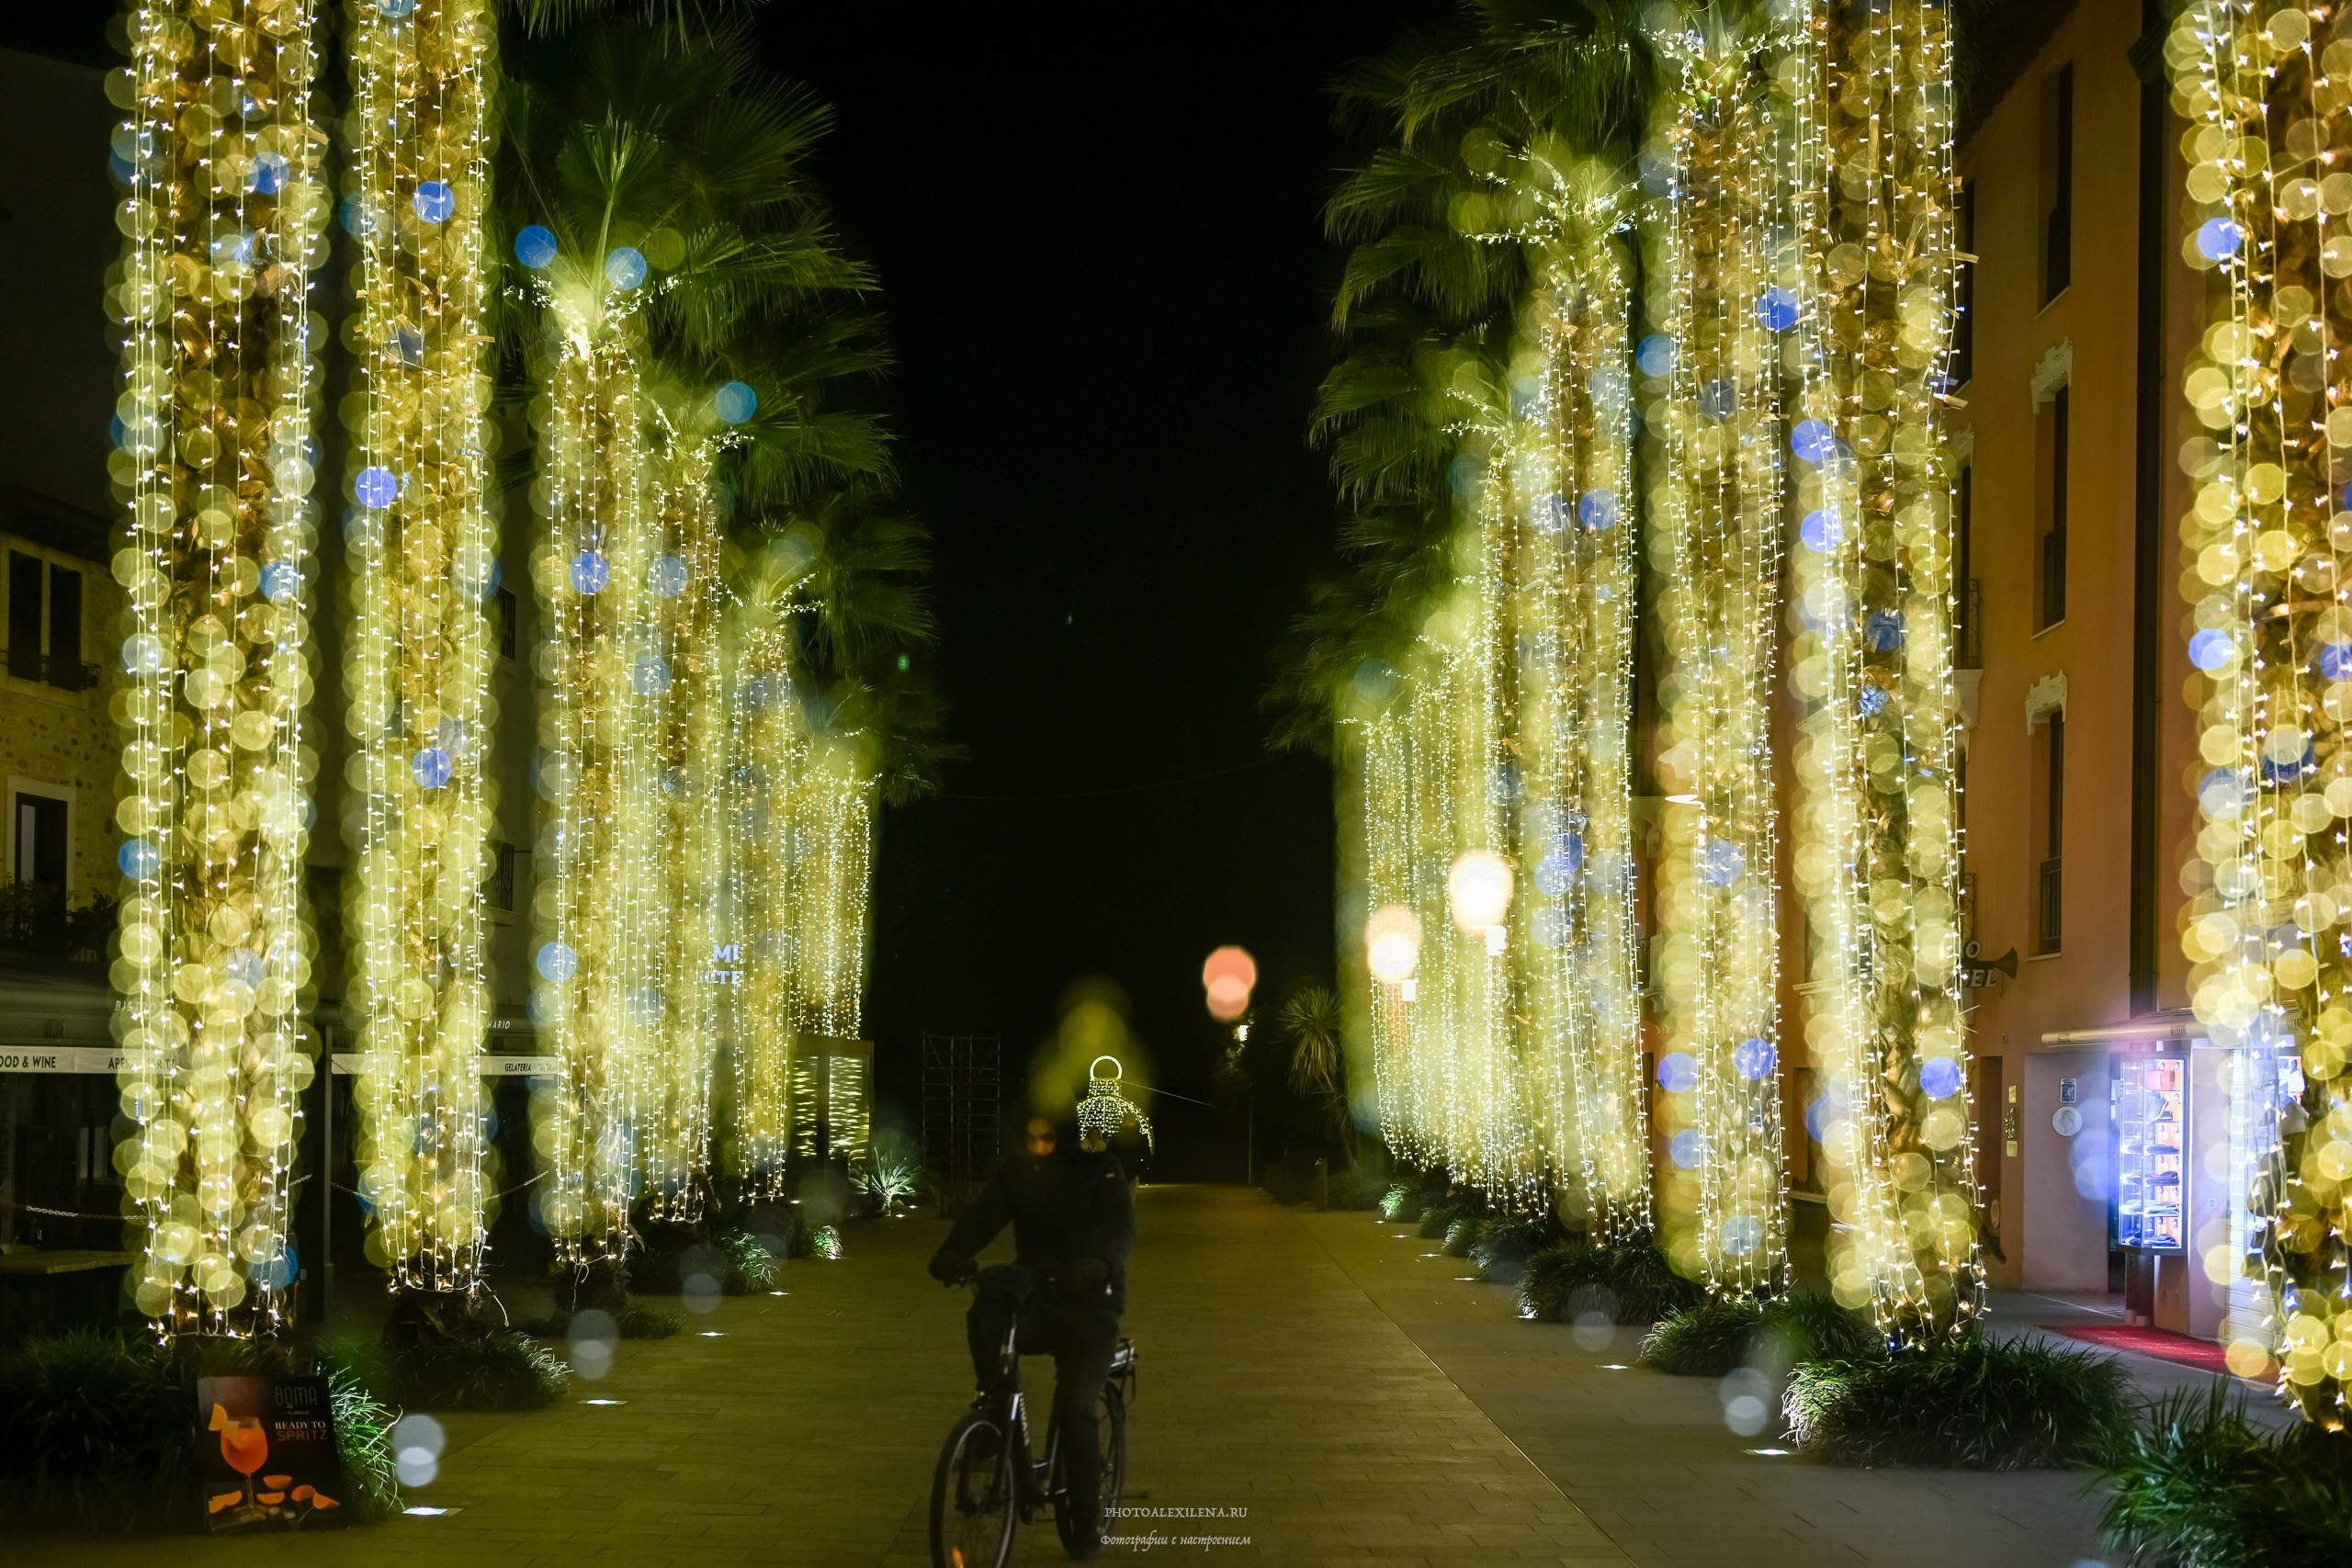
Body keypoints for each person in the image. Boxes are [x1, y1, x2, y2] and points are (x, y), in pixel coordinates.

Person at [929, 1112, 1134, 1560]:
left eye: (1048, 1139)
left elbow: (1120, 1227)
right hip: (1037, 1296)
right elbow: (983, 1216)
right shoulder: (1018, 1173)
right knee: (986, 1316)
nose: (1038, 1147)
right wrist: (952, 1252)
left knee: (1075, 1404)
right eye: (1030, 1138)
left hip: (1089, 1305)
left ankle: (1083, 1513)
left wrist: (1100, 1261)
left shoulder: (1101, 1171)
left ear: (1067, 1139)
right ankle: (995, 1418)